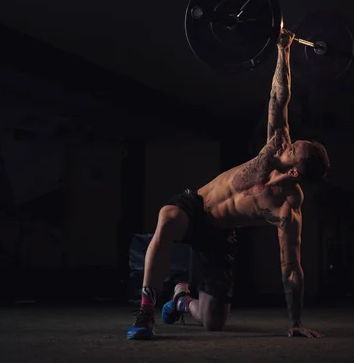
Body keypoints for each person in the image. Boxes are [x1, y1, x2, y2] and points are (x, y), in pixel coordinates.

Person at [127, 28, 330, 340]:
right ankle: (145, 312)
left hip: (219, 237)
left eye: (292, 151)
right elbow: (279, 95)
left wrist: (296, 322)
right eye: (293, 144)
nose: (287, 146)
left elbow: (291, 268)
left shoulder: (288, 210)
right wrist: (283, 50)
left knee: (213, 322)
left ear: (294, 174)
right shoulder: (274, 147)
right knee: (167, 219)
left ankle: (182, 299)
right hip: (195, 207)